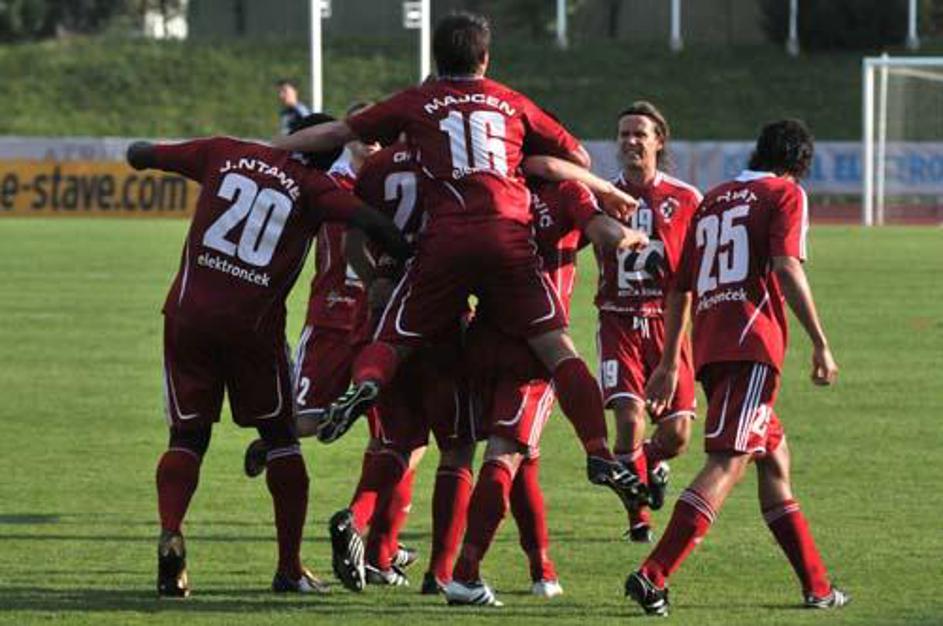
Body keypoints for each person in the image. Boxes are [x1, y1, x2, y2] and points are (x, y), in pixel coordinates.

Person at [274, 11, 646, 521]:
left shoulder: (416, 102)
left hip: (444, 242)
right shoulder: (511, 101)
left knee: (393, 342)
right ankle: (599, 450)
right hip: (507, 239)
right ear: (485, 58)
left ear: (435, 58)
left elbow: (336, 132)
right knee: (558, 349)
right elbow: (574, 155)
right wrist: (600, 187)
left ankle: (368, 385)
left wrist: (270, 148)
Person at [130, 114, 409, 598]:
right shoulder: (315, 188)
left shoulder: (222, 151)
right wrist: (400, 256)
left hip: (187, 318)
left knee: (187, 436)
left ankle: (171, 532)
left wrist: (142, 155)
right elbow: (370, 221)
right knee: (281, 439)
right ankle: (289, 569)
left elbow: (143, 153)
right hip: (252, 330)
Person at [626, 119, 849, 616]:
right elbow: (786, 266)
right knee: (727, 461)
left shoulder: (713, 200)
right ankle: (653, 574)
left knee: (773, 458)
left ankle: (817, 587)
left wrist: (670, 362)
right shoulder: (784, 193)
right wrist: (820, 343)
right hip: (751, 343)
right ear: (798, 166)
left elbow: (680, 287)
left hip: (711, 345)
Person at [447, 173, 649, 606]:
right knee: (504, 455)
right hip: (533, 349)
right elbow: (602, 231)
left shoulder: (495, 191)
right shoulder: (567, 191)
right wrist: (630, 234)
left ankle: (542, 568)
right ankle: (465, 574)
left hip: (481, 337)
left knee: (524, 460)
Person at [594, 102, 701, 543]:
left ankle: (649, 464)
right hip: (618, 321)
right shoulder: (600, 196)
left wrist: (672, 361)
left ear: (660, 141)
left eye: (640, 133)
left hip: (667, 323)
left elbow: (692, 278)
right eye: (624, 134)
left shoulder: (687, 199)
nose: (631, 141)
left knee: (676, 436)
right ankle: (639, 521)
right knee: (629, 419)